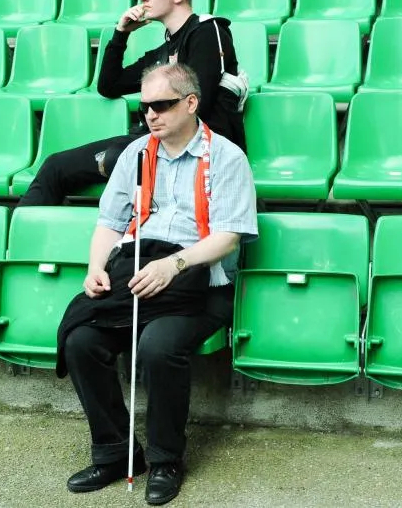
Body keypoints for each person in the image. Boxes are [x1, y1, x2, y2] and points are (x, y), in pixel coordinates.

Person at [56, 63, 257, 505]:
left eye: (162, 105)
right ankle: (116, 453)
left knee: (157, 346)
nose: (151, 114)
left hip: (199, 282)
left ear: (191, 103)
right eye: (145, 106)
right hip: (139, 272)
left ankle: (166, 460)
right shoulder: (136, 154)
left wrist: (175, 264)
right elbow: (110, 222)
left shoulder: (226, 157)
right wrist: (96, 268)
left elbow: (229, 236)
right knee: (80, 339)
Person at [19, 0, 246, 206]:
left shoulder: (207, 31)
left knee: (116, 156)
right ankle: (26, 228)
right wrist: (121, 33)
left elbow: (199, 105)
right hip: (154, 141)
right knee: (55, 166)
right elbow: (109, 86)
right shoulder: (164, 53)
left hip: (197, 149)